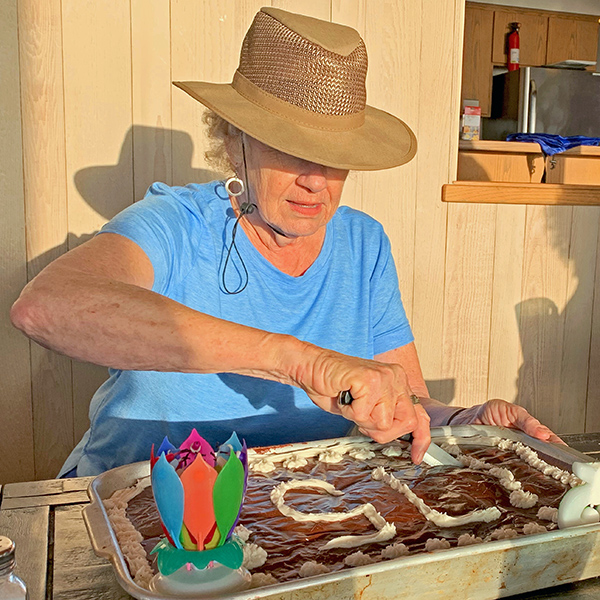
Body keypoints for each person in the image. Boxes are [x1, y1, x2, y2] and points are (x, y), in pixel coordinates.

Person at [10, 7, 561, 478]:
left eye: (336, 155)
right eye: (290, 148)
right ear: (233, 140)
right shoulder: (174, 224)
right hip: (141, 504)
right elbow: (45, 308)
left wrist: (465, 422)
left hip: (294, 515)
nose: (316, 179)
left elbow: (407, 406)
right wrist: (303, 363)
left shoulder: (363, 243)